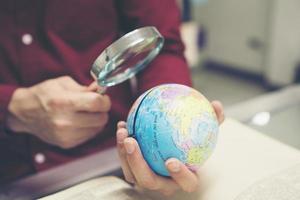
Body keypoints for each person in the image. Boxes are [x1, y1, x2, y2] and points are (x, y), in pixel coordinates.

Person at [0, 0, 224, 195]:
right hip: (8, 169)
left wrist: (170, 128)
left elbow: (163, 45)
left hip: (113, 164)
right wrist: (10, 107)